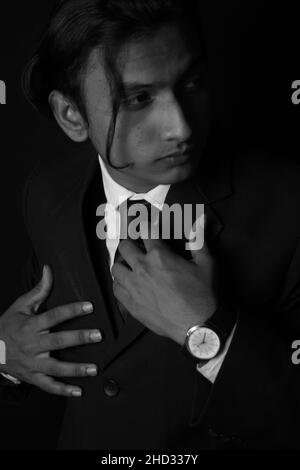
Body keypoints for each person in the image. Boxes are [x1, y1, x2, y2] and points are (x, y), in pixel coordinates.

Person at [0, 0, 300, 450]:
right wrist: (5, 355)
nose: (181, 127)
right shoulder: (45, 191)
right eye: (139, 99)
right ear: (72, 116)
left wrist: (206, 331)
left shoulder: (288, 204)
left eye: (192, 83)